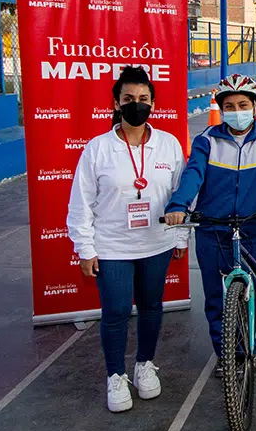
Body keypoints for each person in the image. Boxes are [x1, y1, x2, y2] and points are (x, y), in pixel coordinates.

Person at [67, 66, 188, 412]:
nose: (137, 104)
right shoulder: (98, 148)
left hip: (157, 242)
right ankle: (116, 375)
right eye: (129, 99)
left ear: (153, 102)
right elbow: (82, 202)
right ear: (117, 103)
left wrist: (180, 238)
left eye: (143, 99)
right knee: (117, 310)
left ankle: (145, 365)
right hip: (112, 245)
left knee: (151, 306)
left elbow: (181, 194)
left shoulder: (168, 145)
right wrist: (85, 249)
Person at [165, 74, 256, 366]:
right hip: (213, 228)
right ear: (220, 109)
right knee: (218, 299)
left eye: (243, 104)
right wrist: (179, 205)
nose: (236, 111)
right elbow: (193, 176)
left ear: (255, 106)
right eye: (229, 106)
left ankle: (249, 344)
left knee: (250, 292)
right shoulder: (206, 141)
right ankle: (229, 357)